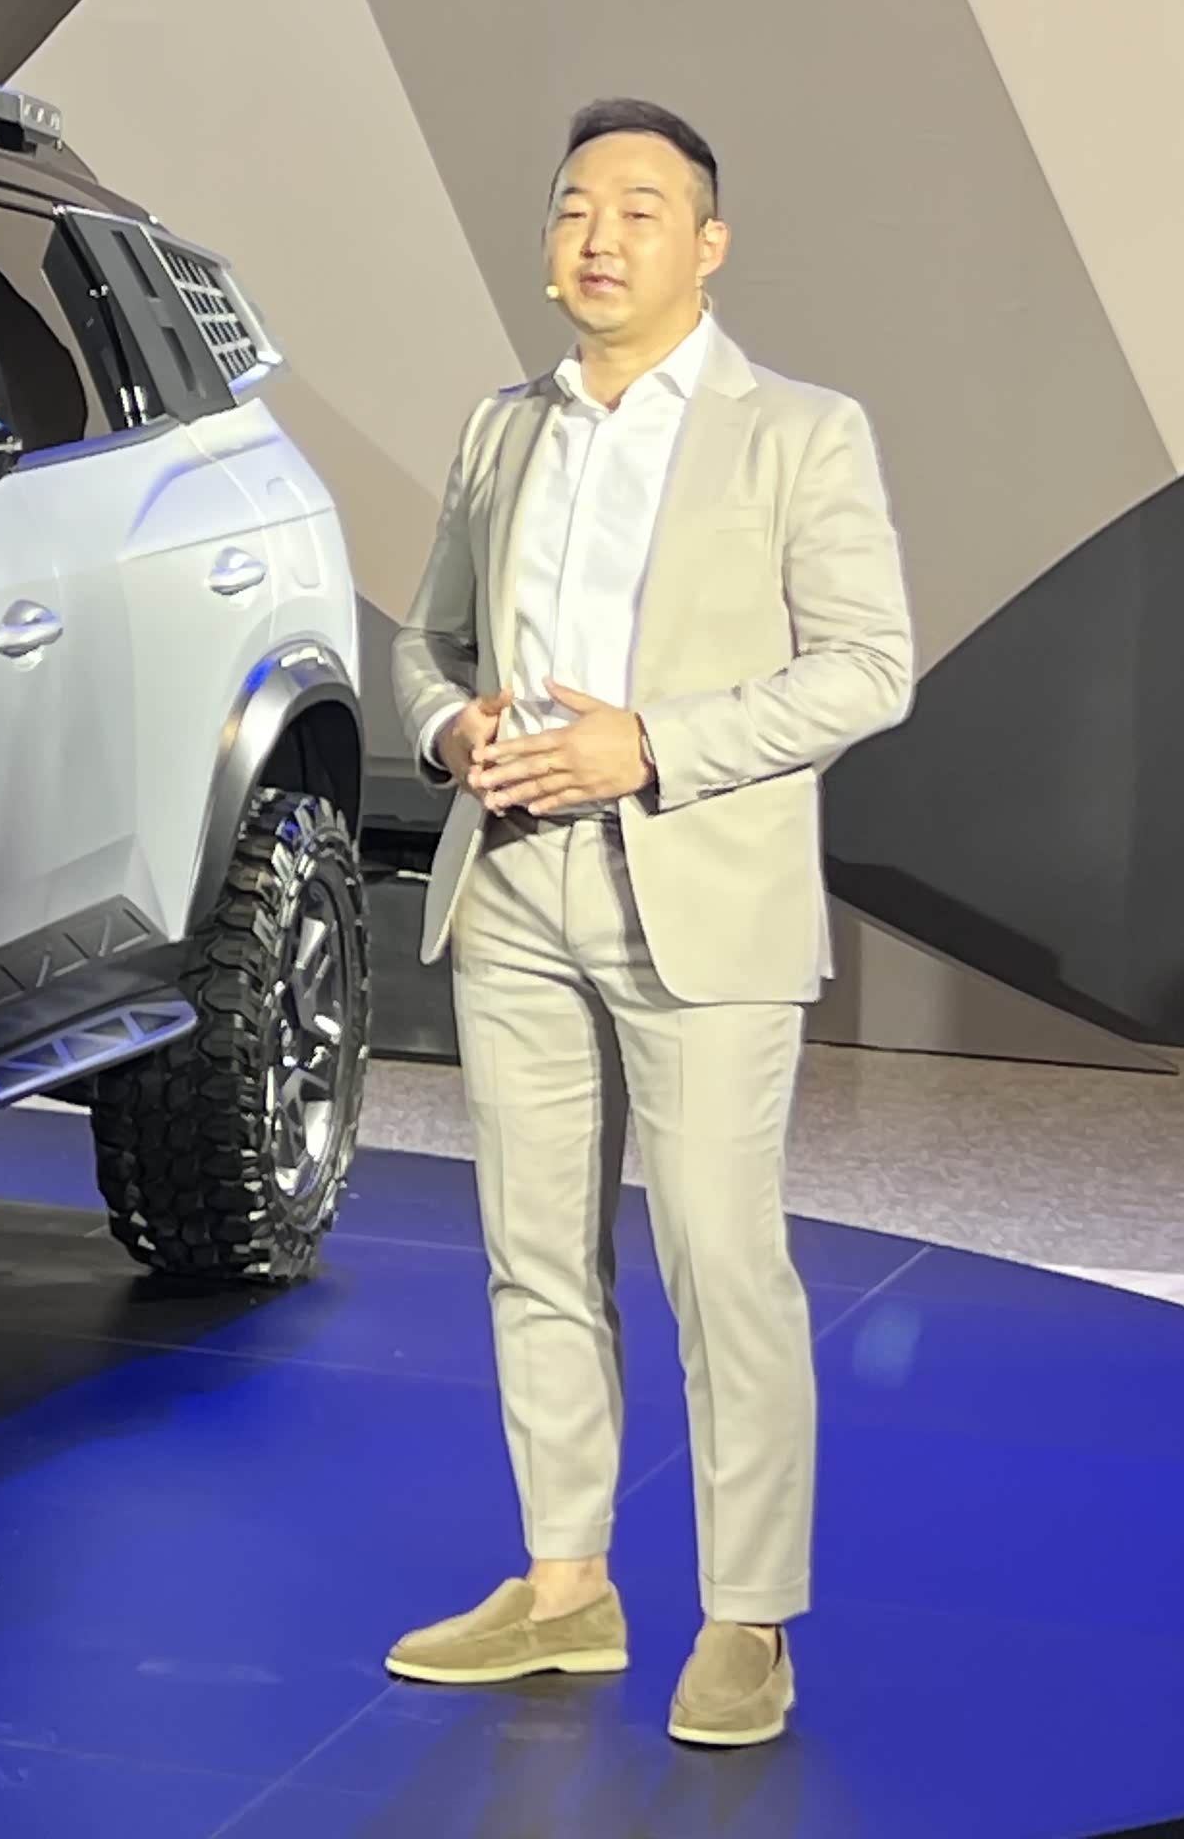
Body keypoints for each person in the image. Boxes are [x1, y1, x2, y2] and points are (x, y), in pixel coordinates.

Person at [381, 100, 912, 1751]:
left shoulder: (799, 431)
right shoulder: (501, 428)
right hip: (512, 879)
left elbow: (869, 667)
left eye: (637, 207)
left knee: (717, 1258)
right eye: (571, 207)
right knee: (534, 1247)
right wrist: (450, 728)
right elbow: (426, 641)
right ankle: (566, 1586)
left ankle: (748, 1617)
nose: (597, 235)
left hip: (699, 887)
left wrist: (652, 745)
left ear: (708, 244)